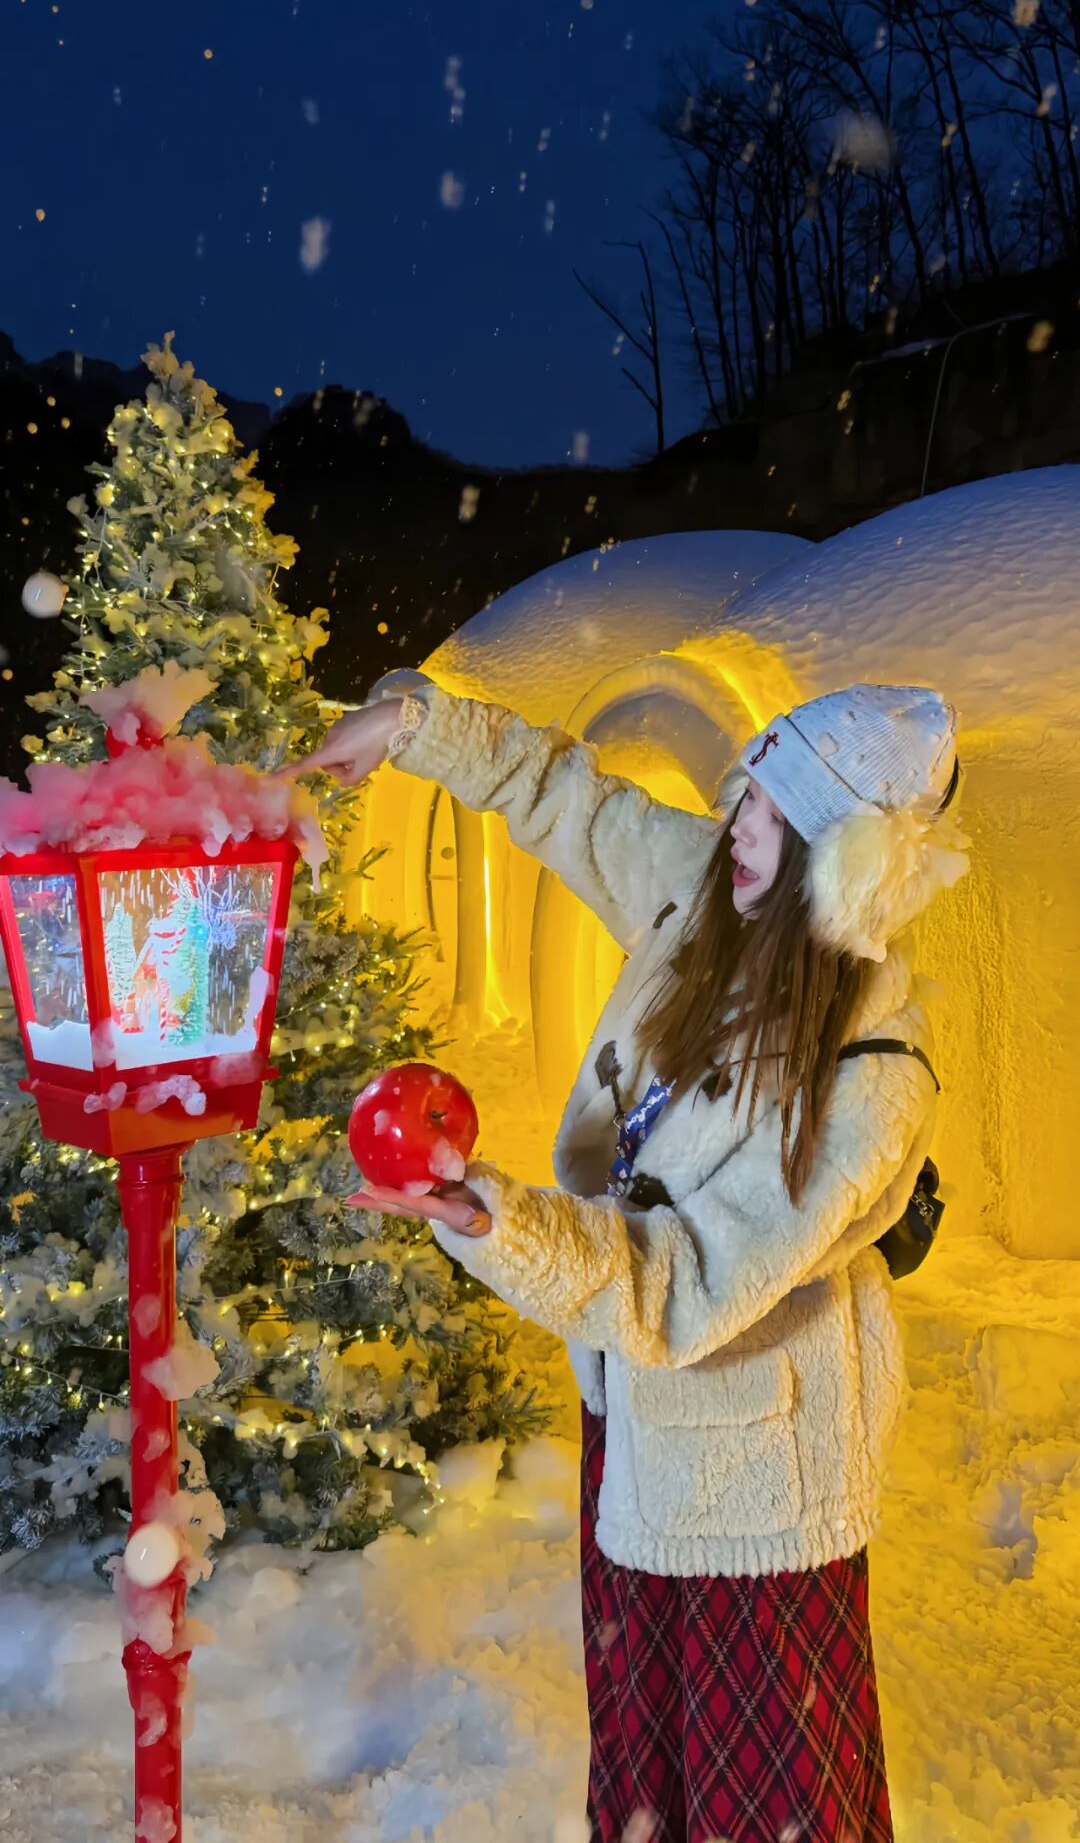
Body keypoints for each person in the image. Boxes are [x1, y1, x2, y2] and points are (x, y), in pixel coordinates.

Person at [292, 680, 971, 1843]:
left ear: (849, 859)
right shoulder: (707, 899)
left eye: (781, 811)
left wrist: (491, 1216)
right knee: (651, 1777)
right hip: (639, 1429)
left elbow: (683, 1283)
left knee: (767, 1806)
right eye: (747, 792)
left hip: (762, 1489)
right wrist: (411, 730)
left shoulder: (870, 1074)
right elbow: (571, 800)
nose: (740, 825)